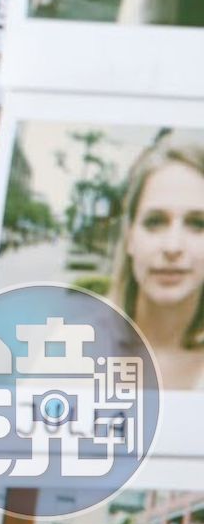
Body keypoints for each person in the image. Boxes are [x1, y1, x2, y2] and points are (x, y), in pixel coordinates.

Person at [111, 131, 204, 389]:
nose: (172, 247)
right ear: (129, 237)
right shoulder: (70, 353)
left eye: (198, 224)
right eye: (155, 222)